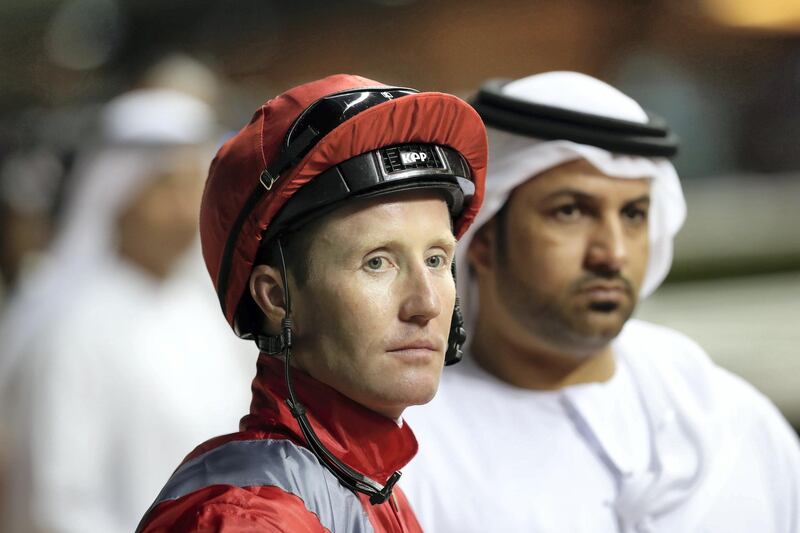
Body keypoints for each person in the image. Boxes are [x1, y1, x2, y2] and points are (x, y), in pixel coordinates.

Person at [402, 71, 800, 533]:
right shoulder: (409, 454)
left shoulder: (729, 421)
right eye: (570, 211)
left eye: (634, 214)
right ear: (483, 237)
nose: (612, 252)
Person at [135, 74, 487, 532]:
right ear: (277, 297)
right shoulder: (249, 519)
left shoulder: (366, 484)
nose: (426, 304)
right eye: (377, 262)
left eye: (437, 259)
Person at [0, 88, 254, 533]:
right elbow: (58, 504)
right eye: (166, 188)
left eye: (193, 187)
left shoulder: (210, 316)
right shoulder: (75, 331)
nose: (184, 210)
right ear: (117, 193)